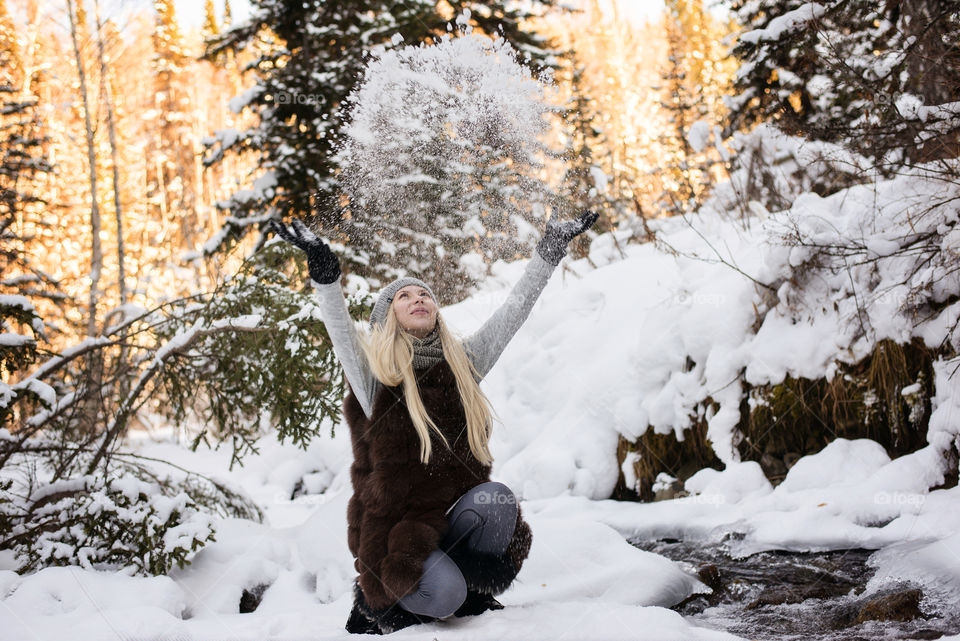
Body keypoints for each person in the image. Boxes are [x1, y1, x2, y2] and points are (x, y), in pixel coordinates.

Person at [272, 211, 597, 634]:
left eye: (423, 294)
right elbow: (339, 329)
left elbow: (513, 312)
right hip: (399, 538)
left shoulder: (463, 365)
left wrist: (549, 251)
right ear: (387, 318)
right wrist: (324, 273)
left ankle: (468, 587)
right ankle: (384, 606)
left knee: (495, 499)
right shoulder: (376, 380)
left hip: (453, 519)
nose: (418, 298)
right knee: (441, 597)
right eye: (403, 296)